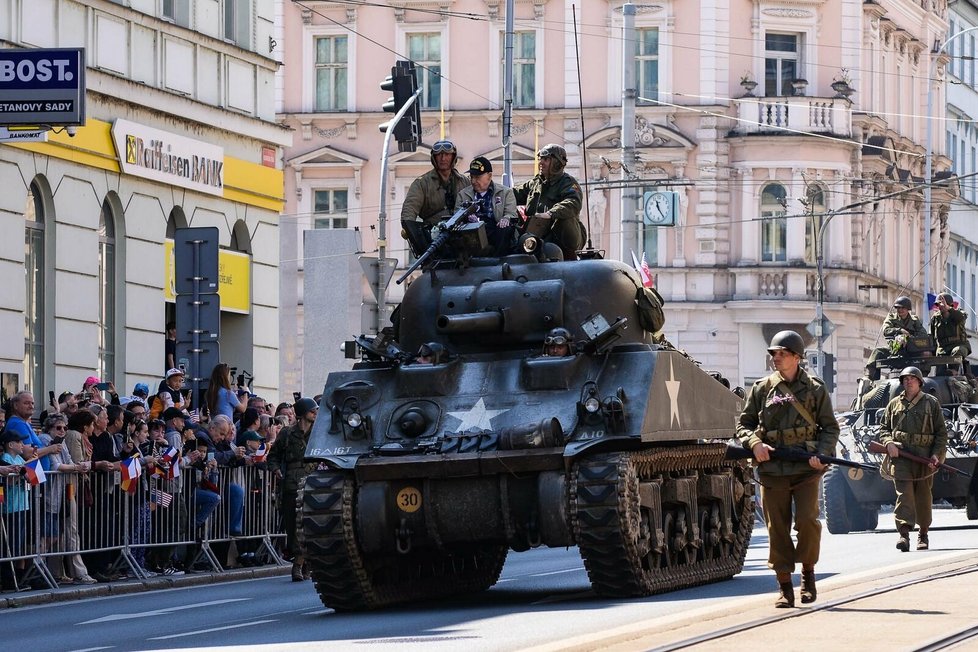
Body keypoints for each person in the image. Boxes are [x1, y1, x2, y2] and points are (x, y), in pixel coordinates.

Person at [736, 330, 839, 608]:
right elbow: (743, 425)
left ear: (797, 357)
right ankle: (784, 586)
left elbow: (830, 427)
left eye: (782, 354)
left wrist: (823, 453)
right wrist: (755, 442)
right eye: (773, 354)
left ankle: (807, 575)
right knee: (776, 528)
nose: (776, 358)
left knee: (807, 521)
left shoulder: (815, 389)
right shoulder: (761, 389)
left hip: (806, 468)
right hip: (773, 469)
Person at [878, 366, 948, 552]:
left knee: (924, 496)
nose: (908, 381)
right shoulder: (894, 404)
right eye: (905, 379)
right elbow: (884, 428)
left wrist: (936, 454)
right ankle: (903, 534)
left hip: (924, 457)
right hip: (901, 457)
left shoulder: (931, 403)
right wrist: (888, 442)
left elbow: (941, 433)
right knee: (904, 495)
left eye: (912, 378)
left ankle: (923, 534)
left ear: (919, 382)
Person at [267, 396, 319, 582]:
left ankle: (302, 563)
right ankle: (301, 562)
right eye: (312, 411)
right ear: (302, 414)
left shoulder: (319, 434)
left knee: (310, 525)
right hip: (291, 483)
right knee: (293, 526)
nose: (315, 414)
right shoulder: (287, 434)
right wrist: (275, 469)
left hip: (314, 482)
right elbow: (272, 456)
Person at [513, 144, 585, 261]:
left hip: (563, 236)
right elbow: (513, 194)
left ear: (557, 162)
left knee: (565, 218)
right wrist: (495, 191)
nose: (541, 162)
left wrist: (550, 214)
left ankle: (569, 257)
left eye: (546, 159)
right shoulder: (536, 183)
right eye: (540, 159)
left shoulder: (568, 183)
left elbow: (573, 202)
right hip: (538, 236)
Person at [401, 139, 471, 227]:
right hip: (434, 234)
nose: (443, 158)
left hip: (463, 233)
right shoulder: (422, 184)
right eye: (439, 155)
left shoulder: (464, 182)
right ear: (434, 158)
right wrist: (411, 232)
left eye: (447, 154)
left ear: (453, 157)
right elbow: (410, 209)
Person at [456, 156, 518, 256]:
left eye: (477, 177)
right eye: (471, 177)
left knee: (505, 228)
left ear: (489, 176)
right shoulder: (463, 195)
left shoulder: (505, 192)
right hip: (474, 233)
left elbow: (511, 213)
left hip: (496, 230)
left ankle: (498, 261)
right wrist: (466, 218)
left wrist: (506, 219)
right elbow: (456, 216)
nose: (473, 181)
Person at [865, 296, 928, 380]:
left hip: (911, 350)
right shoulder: (891, 318)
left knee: (926, 354)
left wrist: (909, 338)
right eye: (898, 308)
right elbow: (886, 330)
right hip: (894, 349)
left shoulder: (914, 320)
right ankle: (870, 378)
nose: (900, 310)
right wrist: (900, 331)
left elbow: (923, 334)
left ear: (908, 309)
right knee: (877, 352)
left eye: (902, 308)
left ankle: (922, 377)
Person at [931, 292, 972, 376]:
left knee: (957, 351)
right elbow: (932, 336)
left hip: (960, 345)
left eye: (942, 304)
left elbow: (960, 318)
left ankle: (954, 371)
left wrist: (948, 309)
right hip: (943, 348)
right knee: (940, 371)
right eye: (938, 305)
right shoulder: (936, 318)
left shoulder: (959, 314)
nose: (940, 307)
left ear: (949, 304)